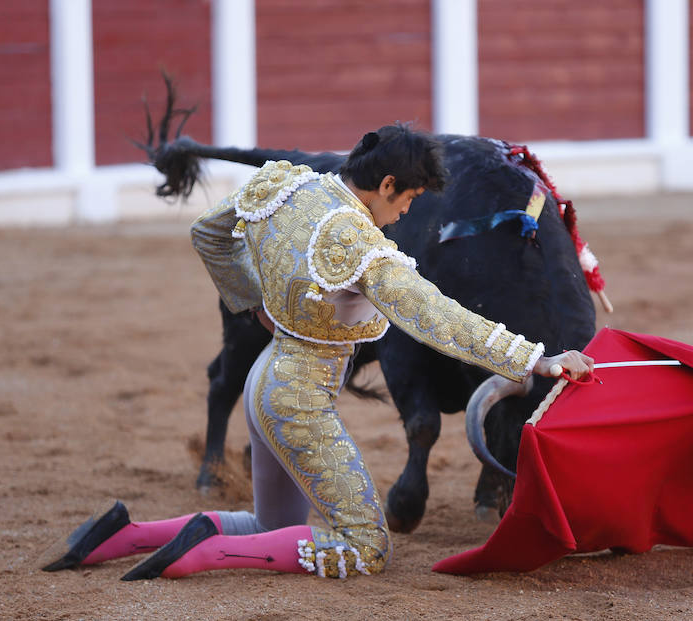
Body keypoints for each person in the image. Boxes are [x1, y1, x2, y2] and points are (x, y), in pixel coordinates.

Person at [40, 124, 594, 580]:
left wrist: (249, 300)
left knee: (266, 524)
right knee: (365, 547)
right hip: (298, 401)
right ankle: (200, 555)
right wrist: (536, 361)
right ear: (384, 184)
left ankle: (124, 534)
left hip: (264, 378)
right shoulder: (362, 247)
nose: (405, 214)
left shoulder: (287, 185)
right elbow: (439, 318)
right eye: (408, 200)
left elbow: (207, 233)